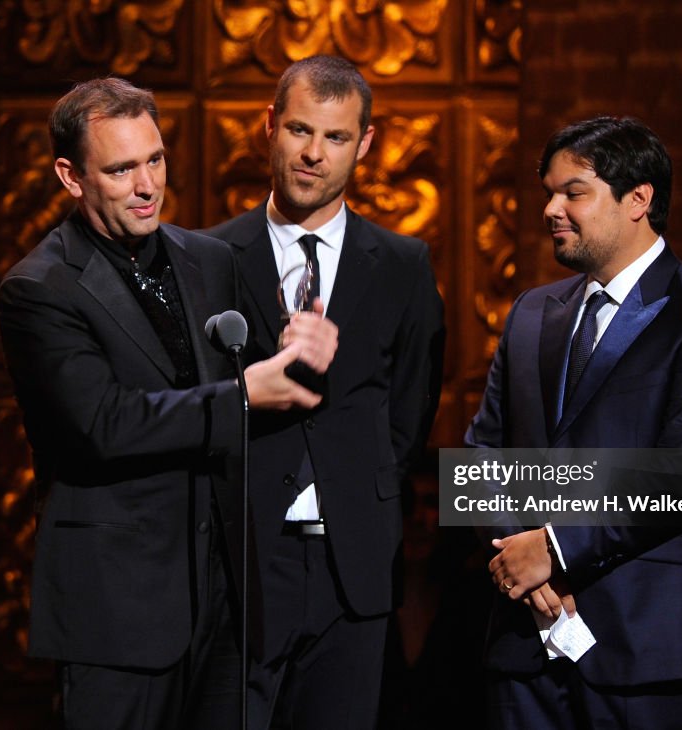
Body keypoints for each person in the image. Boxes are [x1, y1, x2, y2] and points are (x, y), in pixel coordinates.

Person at [0, 77, 337, 730]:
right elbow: (103, 424)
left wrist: (299, 357)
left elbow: (262, 392)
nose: (148, 184)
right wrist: (242, 396)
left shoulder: (209, 260)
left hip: (227, 599)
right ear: (71, 176)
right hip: (119, 611)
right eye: (122, 169)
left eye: (154, 159)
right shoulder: (39, 290)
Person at [465, 116, 682, 729]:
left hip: (651, 651)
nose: (551, 208)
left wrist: (553, 549)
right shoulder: (530, 313)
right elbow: (481, 455)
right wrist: (518, 554)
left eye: (574, 191)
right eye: (549, 191)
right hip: (527, 644)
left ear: (639, 199)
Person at [204, 55, 446, 730]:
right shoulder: (207, 259)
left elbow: (409, 415)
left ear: (365, 143)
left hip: (354, 569)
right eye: (300, 132)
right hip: (242, 563)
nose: (314, 154)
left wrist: (361, 500)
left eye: (336, 138)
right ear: (269, 128)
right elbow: (194, 408)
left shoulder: (403, 265)